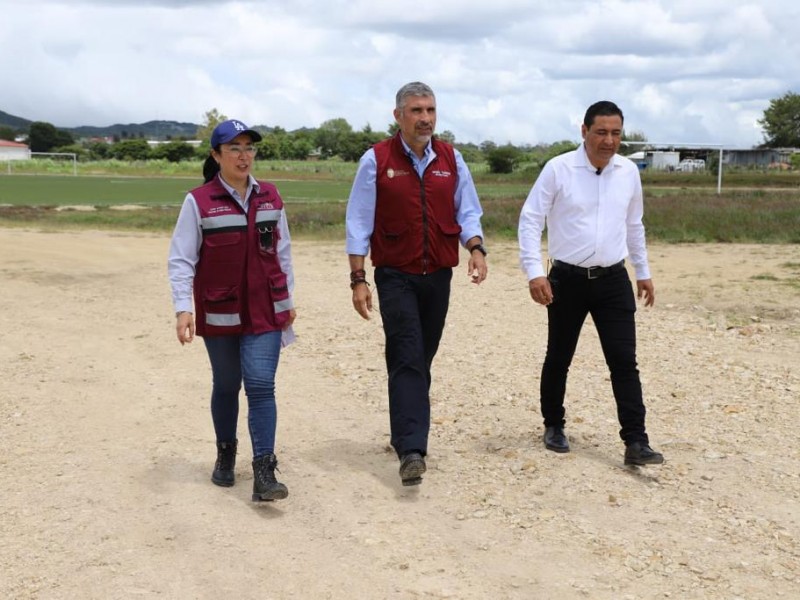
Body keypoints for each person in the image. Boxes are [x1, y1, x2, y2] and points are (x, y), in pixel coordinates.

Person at [345, 81, 488, 486]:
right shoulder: (376, 161)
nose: (425, 118)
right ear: (398, 116)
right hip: (395, 275)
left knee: (419, 357)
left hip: (438, 275)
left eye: (430, 110)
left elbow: (468, 211)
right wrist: (358, 279)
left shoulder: (451, 159)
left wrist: (476, 248)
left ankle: (403, 429)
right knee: (407, 355)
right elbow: (358, 222)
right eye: (416, 111)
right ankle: (412, 450)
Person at [518, 100, 664, 466]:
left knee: (624, 362)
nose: (609, 141)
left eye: (616, 133)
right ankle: (553, 424)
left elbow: (635, 224)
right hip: (566, 279)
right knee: (560, 356)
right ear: (584, 132)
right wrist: (535, 272)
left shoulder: (629, 172)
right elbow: (530, 219)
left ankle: (636, 442)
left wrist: (642, 271)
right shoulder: (559, 169)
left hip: (613, 279)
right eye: (601, 132)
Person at [168, 119, 297, 501]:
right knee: (227, 385)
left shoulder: (271, 196)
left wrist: (288, 302)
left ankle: (264, 472)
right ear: (216, 155)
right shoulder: (199, 201)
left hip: (265, 309)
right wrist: (183, 308)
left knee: (261, 386)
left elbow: (283, 253)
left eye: (249, 148)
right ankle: (226, 453)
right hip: (220, 310)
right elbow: (181, 259)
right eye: (235, 148)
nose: (244, 156)